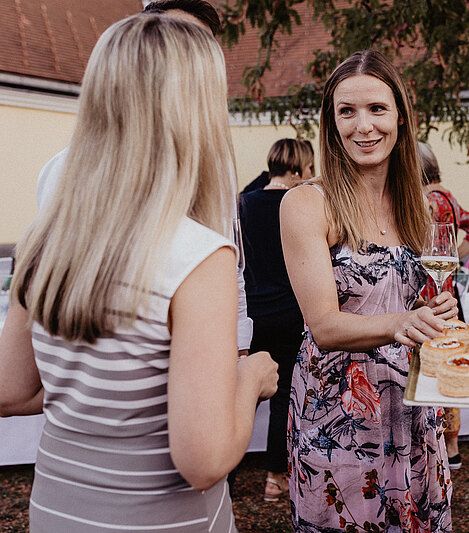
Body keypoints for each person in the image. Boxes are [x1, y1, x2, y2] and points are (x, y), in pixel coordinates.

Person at [0, 14, 279, 531]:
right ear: (196, 113)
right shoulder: (198, 255)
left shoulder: (45, 236)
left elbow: (10, 389)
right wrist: (250, 380)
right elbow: (203, 461)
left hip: (57, 513)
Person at [280, 50, 457, 531]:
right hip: (340, 414)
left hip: (413, 404)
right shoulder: (306, 203)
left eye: (377, 109)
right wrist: (403, 321)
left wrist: (435, 310)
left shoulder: (417, 205)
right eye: (347, 111)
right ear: (331, 122)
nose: (364, 126)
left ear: (400, 116)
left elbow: (408, 301)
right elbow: (324, 326)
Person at [33, 0, 254, 356]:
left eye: (202, 49)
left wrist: (240, 351)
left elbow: (233, 269)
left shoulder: (216, 168)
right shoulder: (62, 173)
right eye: (179, 46)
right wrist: (251, 379)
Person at [237, 138, 315, 501]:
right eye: (309, 169)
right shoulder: (297, 205)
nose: (312, 176)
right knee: (283, 395)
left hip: (252, 313)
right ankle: (274, 477)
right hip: (288, 311)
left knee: (243, 392)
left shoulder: (243, 204)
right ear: (297, 170)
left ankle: (226, 476)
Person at [418, 141, 469, 472]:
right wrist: (455, 257)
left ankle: (434, 443)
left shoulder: (425, 201)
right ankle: (453, 446)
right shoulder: (449, 198)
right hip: (450, 291)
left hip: (430, 291)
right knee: (450, 358)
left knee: (433, 364)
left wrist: (449, 258)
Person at [241, 139, 315, 194]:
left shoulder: (244, 200)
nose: (310, 175)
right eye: (309, 167)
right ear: (294, 168)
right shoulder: (295, 202)